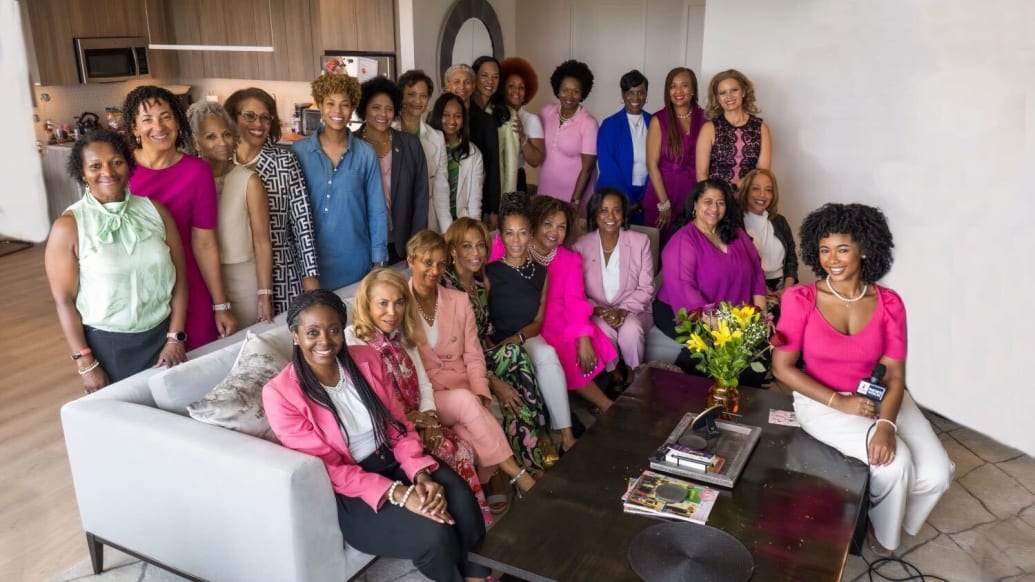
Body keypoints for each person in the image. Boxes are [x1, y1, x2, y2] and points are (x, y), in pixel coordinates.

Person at [263, 290, 490, 581]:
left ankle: (478, 578)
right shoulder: (281, 394)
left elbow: (398, 425)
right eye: (312, 332)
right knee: (435, 533)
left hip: (395, 458)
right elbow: (331, 468)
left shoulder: (365, 359)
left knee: (460, 498)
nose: (325, 340)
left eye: (333, 330)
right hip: (354, 487)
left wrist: (420, 476)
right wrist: (401, 494)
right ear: (295, 335)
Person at [772, 203, 953, 552]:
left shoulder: (889, 303)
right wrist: (840, 402)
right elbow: (782, 368)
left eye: (843, 249)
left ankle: (896, 518)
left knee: (937, 474)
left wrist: (887, 425)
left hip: (881, 395)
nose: (832, 259)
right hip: (823, 401)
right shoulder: (801, 299)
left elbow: (896, 374)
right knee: (893, 463)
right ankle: (885, 543)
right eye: (824, 250)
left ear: (865, 249)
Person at [46, 129, 187, 391]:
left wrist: (175, 337)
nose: (108, 172)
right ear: (82, 172)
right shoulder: (68, 226)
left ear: (128, 164)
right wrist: (85, 362)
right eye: (95, 166)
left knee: (169, 422)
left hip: (162, 337)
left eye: (116, 162)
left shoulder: (155, 211)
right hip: (107, 347)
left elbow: (179, 280)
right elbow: (64, 301)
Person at [346, 269, 491, 523]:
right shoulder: (352, 342)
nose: (392, 312)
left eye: (399, 302)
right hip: (390, 432)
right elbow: (364, 403)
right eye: (383, 304)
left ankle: (473, 521)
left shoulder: (404, 337)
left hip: (420, 419)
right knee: (447, 451)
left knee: (460, 447)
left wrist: (429, 418)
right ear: (366, 304)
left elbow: (424, 385)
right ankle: (454, 524)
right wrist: (413, 425)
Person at [407, 231, 538, 497]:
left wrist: (481, 391)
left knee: (466, 430)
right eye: (427, 262)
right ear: (411, 260)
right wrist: (471, 399)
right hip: (429, 394)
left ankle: (489, 478)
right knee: (466, 404)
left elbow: (474, 353)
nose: (434, 270)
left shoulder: (458, 300)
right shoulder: (400, 304)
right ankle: (519, 475)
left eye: (441, 264)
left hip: (462, 385)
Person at [443, 217, 566, 469]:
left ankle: (530, 456)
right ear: (453, 249)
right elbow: (453, 350)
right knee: (515, 359)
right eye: (467, 246)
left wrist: (497, 357)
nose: (476, 253)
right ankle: (534, 450)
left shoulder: (479, 283)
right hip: (455, 366)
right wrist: (493, 380)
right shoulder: (445, 285)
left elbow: (486, 334)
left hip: (480, 355)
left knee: (514, 355)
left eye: (480, 246)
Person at [124, 85, 236, 349]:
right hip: (138, 286)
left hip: (187, 280)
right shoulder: (120, 169)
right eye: (147, 119)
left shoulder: (197, 172)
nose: (159, 126)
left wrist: (220, 304)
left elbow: (205, 242)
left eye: (166, 116)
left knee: (198, 363)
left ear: (177, 121)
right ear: (134, 128)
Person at [483, 207, 578, 455]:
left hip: (524, 337)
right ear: (501, 237)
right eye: (510, 233)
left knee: (547, 355)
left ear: (531, 235)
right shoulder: (489, 272)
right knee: (527, 355)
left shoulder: (540, 273)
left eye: (522, 233)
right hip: (497, 342)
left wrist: (519, 337)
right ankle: (538, 437)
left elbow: (538, 319)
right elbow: (480, 318)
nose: (516, 240)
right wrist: (499, 342)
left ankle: (566, 435)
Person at [653, 179, 766, 375]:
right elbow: (686, 291)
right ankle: (686, 391)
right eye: (708, 201)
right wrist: (724, 329)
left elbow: (756, 271)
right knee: (712, 349)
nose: (714, 208)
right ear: (695, 204)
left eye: (720, 202)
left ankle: (743, 400)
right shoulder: (683, 241)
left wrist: (759, 316)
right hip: (682, 311)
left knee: (758, 352)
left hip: (733, 314)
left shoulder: (736, 234)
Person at [224, 87, 320, 315]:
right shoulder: (220, 163)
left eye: (265, 117)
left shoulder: (284, 161)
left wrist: (310, 277)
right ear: (232, 118)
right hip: (232, 273)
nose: (258, 124)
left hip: (281, 270)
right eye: (249, 116)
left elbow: (302, 224)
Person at [293, 72, 388, 290]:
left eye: (345, 104)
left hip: (356, 262)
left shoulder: (365, 153)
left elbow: (376, 210)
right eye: (330, 103)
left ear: (353, 106)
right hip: (310, 265)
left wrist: (378, 261)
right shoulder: (300, 151)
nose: (337, 111)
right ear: (319, 105)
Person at [528, 196, 619, 412]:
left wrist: (584, 338)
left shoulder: (569, 259)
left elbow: (576, 301)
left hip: (563, 316)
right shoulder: (516, 247)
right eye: (548, 224)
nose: (554, 232)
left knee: (577, 342)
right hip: (532, 318)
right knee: (563, 346)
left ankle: (609, 394)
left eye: (561, 227)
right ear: (534, 223)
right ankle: (605, 404)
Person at [186, 101, 274, 325]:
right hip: (199, 278)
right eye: (211, 137)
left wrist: (265, 294)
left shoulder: (249, 181)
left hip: (242, 278)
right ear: (196, 141)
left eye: (226, 134)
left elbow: (263, 241)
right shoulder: (189, 181)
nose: (222, 142)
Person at [572, 188, 655, 376]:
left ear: (624, 213)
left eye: (616, 210)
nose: (611, 216)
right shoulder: (580, 246)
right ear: (594, 213)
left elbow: (646, 288)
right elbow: (577, 291)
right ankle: (615, 376)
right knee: (601, 329)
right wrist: (599, 310)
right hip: (598, 310)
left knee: (631, 329)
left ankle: (633, 375)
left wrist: (621, 310)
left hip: (634, 309)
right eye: (604, 210)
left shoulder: (640, 242)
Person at [357, 76, 429, 264]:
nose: (383, 114)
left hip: (402, 243)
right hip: (364, 243)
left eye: (389, 108)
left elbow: (420, 198)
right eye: (376, 107)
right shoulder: (353, 145)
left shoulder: (410, 144)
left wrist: (418, 245)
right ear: (364, 108)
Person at [643, 67, 707, 234]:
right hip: (663, 194)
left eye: (684, 85)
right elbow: (652, 165)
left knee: (689, 249)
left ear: (693, 89)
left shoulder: (706, 118)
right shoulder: (659, 120)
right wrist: (664, 203)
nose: (678, 91)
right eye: (673, 86)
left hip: (694, 194)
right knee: (659, 249)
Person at [539, 59, 598, 217]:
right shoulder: (546, 113)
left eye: (575, 91)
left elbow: (588, 168)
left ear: (582, 94)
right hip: (545, 192)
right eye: (565, 90)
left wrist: (575, 201)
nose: (569, 96)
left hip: (573, 197)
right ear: (557, 90)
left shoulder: (588, 123)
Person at [444, 64, 500, 227]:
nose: (462, 87)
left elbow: (492, 165)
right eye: (456, 82)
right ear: (448, 85)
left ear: (474, 86)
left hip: (474, 200)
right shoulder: (436, 118)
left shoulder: (486, 121)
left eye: (467, 82)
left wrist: (492, 210)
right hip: (442, 198)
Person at [695, 69, 772, 187]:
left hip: (748, 197)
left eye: (734, 90)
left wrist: (735, 188)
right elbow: (701, 175)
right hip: (717, 199)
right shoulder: (709, 129)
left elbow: (762, 173)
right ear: (717, 98)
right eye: (723, 93)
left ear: (743, 92)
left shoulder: (761, 128)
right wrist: (715, 198)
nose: (729, 96)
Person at [394, 70, 449, 233]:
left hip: (426, 220)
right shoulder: (388, 132)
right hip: (393, 221)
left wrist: (447, 230)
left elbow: (441, 189)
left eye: (423, 96)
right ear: (401, 97)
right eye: (411, 94)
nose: (417, 100)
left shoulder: (437, 138)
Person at [596, 70, 652, 225]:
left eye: (641, 93)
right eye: (630, 92)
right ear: (622, 94)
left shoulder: (655, 122)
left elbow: (659, 163)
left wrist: (646, 198)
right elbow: (608, 167)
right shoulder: (610, 124)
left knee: (645, 241)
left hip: (647, 194)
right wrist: (627, 200)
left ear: (646, 95)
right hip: (616, 194)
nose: (635, 98)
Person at [427, 93, 484, 231]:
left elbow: (475, 198)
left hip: (460, 222)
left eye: (457, 116)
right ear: (437, 115)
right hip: (431, 220)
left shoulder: (473, 153)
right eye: (446, 115)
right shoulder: (427, 145)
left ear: (463, 120)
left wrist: (473, 229)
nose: (452, 120)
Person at [737, 169, 797, 297]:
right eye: (756, 189)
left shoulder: (779, 220)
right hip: (750, 288)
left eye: (768, 190)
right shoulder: (736, 223)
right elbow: (738, 263)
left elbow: (791, 258)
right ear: (746, 191)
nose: (762, 195)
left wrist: (786, 290)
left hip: (782, 287)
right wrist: (763, 290)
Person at [472, 56, 520, 196]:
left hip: (495, 188)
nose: (490, 81)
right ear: (474, 77)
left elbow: (511, 164)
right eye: (484, 75)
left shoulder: (507, 114)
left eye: (495, 77)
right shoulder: (463, 111)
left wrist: (506, 201)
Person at [499, 57, 545, 193]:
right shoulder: (492, 114)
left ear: (526, 93)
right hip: (493, 177)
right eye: (511, 86)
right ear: (502, 89)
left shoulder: (531, 120)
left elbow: (535, 161)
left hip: (516, 177)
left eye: (521, 88)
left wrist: (522, 135)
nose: (516, 91)